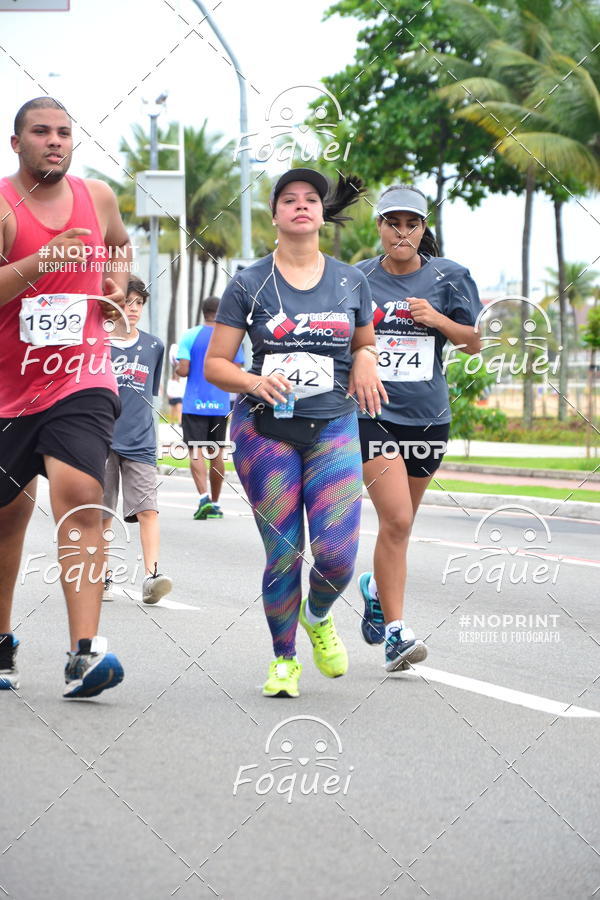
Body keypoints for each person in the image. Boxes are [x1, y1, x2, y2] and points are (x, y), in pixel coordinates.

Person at [205, 167, 387, 698]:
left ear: (322, 214)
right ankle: (283, 660)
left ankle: (318, 614)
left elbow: (364, 342)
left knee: (337, 555)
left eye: (311, 198)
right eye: (289, 199)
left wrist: (366, 360)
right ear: (275, 215)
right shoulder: (248, 282)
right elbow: (216, 364)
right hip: (266, 429)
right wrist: (254, 381)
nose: (301, 205)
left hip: (333, 424)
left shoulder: (351, 281)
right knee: (284, 552)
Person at [0, 97, 132, 698]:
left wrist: (116, 282)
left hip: (81, 374)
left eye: (64, 132)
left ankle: (85, 651)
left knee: (80, 494)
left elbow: (119, 244)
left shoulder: (97, 197)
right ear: (17, 143)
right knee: (7, 518)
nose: (55, 141)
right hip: (8, 388)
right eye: (41, 132)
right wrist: (41, 261)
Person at [355, 184, 482, 671]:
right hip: (372, 415)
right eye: (393, 223)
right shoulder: (358, 278)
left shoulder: (450, 276)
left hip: (428, 418)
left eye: (412, 224)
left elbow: (474, 342)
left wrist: (438, 320)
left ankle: (375, 587)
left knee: (401, 525)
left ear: (423, 228)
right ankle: (396, 634)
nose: (402, 233)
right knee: (397, 520)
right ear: (380, 227)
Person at [102, 276, 172, 605]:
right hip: (101, 440)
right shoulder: (97, 344)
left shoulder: (154, 346)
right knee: (101, 512)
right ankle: (100, 575)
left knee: (148, 510)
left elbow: (148, 395)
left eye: (139, 303)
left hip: (141, 441)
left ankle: (151, 576)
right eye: (127, 302)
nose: (133, 309)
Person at [176, 296, 244, 520]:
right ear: (221, 311)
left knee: (196, 450)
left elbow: (183, 370)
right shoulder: (230, 338)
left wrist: (176, 366)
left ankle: (203, 498)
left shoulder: (190, 335)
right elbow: (236, 370)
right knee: (216, 452)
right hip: (220, 404)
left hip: (194, 404)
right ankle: (216, 504)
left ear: (203, 312)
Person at [166, 342, 183, 424]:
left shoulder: (181, 380)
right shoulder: (171, 381)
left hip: (179, 397)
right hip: (172, 397)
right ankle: (172, 421)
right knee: (172, 410)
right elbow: (169, 388)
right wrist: (169, 395)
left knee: (179, 409)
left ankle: (180, 422)